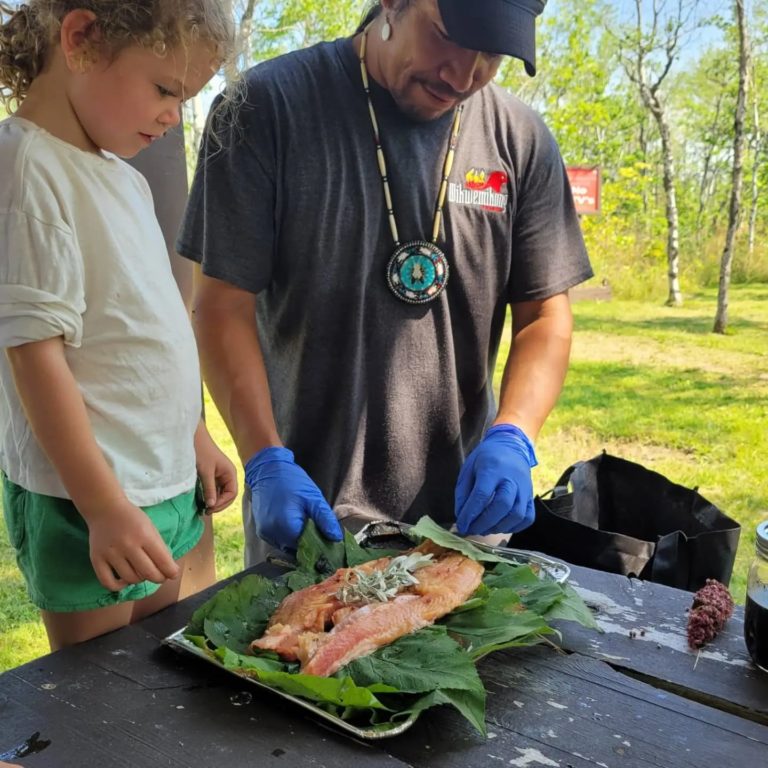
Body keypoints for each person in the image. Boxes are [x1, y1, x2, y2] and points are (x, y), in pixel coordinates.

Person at [179, 0, 592, 564]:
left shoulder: (520, 139)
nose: (463, 75)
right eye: (447, 36)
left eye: (491, 56)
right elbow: (221, 306)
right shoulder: (264, 109)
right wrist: (264, 457)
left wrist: (514, 434)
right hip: (308, 523)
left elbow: (544, 315)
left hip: (467, 529)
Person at [0, 0, 238, 650]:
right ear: (82, 39)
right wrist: (102, 507)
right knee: (98, 690)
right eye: (165, 89)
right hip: (84, 500)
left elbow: (143, 328)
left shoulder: (124, 180)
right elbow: (35, 357)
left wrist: (194, 436)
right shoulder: (26, 168)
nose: (173, 115)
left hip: (161, 479)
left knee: (152, 674)